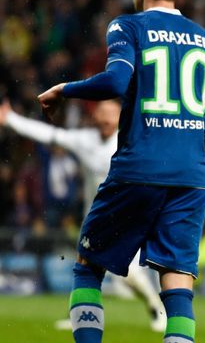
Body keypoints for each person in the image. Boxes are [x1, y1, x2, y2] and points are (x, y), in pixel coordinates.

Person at [37, 0, 205, 343]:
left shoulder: (127, 27)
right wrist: (184, 124)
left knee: (87, 266)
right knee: (177, 284)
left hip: (138, 168)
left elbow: (115, 82)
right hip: (191, 178)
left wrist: (65, 89)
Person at [0, 98, 167, 332]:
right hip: (94, 217)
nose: (108, 118)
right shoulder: (85, 140)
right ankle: (81, 314)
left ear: (121, 116)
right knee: (86, 268)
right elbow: (50, 134)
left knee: (124, 273)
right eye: (103, 112)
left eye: (113, 113)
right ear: (95, 116)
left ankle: (155, 306)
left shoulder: (132, 140)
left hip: (126, 216)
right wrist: (10, 119)